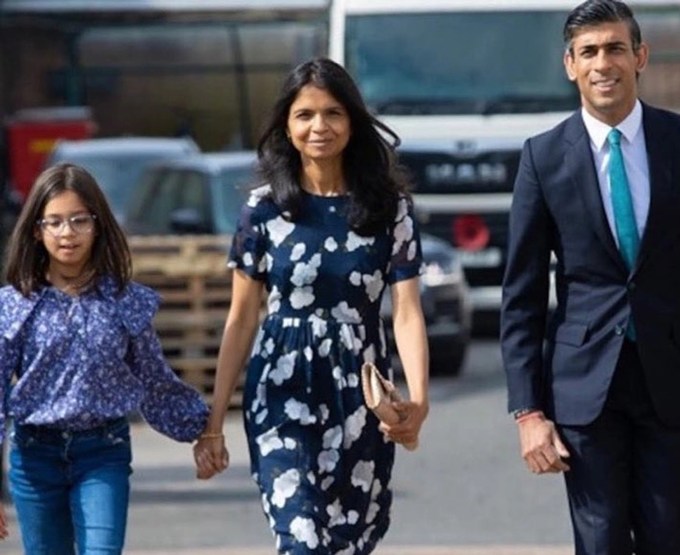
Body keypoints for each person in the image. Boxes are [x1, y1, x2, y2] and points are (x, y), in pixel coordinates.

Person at [500, 1, 680, 553]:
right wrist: (528, 412)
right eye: (589, 51)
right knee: (599, 545)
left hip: (672, 376)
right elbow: (521, 296)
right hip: (582, 389)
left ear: (640, 56)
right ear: (570, 64)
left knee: (669, 541)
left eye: (615, 48)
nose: (604, 63)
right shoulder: (543, 158)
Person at [192, 57, 429, 554]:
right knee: (300, 537)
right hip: (280, 385)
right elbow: (240, 318)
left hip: (360, 392)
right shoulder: (262, 209)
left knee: (347, 540)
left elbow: (406, 310)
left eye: (333, 113)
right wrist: (215, 421)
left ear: (352, 123)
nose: (318, 126)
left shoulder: (390, 209)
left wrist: (418, 400)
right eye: (304, 115)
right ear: (287, 125)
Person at [0, 163, 210, 554]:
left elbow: (154, 378)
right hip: (34, 457)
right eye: (55, 222)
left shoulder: (125, 301)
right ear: (36, 230)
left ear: (97, 225)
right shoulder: (15, 305)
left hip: (102, 452)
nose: (68, 233)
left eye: (79, 220)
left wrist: (204, 431)